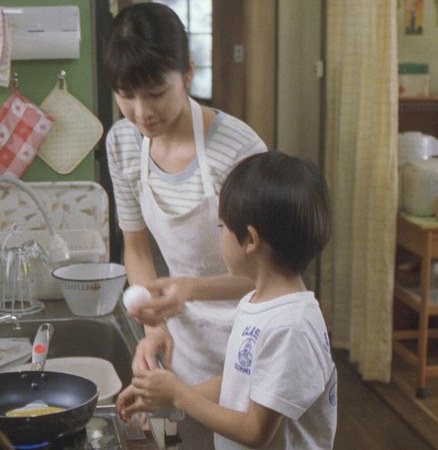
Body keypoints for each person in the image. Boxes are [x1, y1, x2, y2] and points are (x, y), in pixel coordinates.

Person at [102, 3, 267, 446]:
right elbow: (136, 248)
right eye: (126, 95)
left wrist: (189, 289)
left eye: (156, 93)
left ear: (188, 74)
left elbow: (270, 275)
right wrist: (154, 326)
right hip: (186, 344)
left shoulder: (237, 150)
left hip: (251, 339)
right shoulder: (122, 143)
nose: (142, 113)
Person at [117, 152, 338, 449]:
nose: (219, 235)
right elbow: (240, 381)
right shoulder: (257, 301)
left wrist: (179, 395)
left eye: (221, 227)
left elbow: (255, 432)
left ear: (250, 240)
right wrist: (162, 396)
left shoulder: (289, 328)